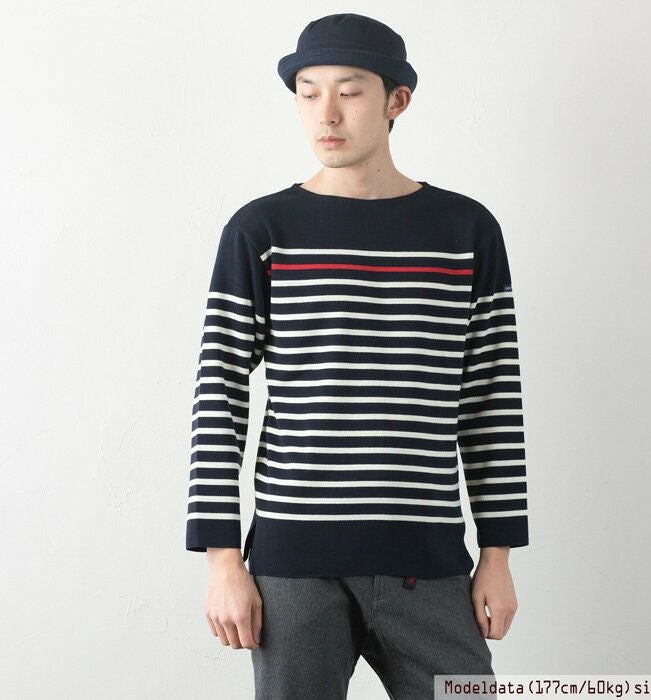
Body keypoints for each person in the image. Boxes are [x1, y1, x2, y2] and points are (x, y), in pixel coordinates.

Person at [186, 12, 529, 699]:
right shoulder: (262, 230)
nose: (326, 113)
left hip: (429, 562)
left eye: (349, 91)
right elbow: (218, 395)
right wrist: (222, 559)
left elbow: (490, 401)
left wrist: (497, 556)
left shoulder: (466, 231)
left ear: (397, 100)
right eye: (308, 93)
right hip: (294, 568)